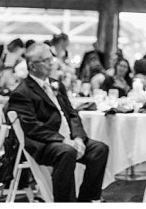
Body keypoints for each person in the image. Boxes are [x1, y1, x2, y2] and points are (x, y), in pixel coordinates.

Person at [7, 44, 110, 202]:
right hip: (44, 143)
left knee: (99, 149)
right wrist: (63, 140)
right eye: (46, 60)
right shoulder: (22, 92)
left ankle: (86, 200)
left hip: (68, 138)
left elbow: (71, 114)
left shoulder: (56, 84)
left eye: (51, 59)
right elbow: (32, 127)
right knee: (67, 151)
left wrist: (77, 137)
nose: (51, 63)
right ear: (32, 66)